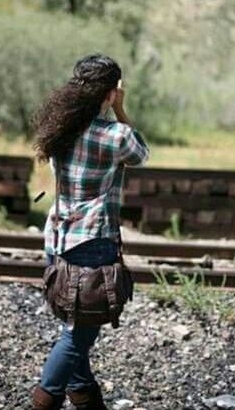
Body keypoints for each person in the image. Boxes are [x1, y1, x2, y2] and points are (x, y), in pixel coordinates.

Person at [31, 54, 150, 410]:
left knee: (72, 325)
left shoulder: (60, 129)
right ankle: (44, 399)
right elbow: (141, 153)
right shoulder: (115, 136)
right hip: (92, 244)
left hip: (56, 240)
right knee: (80, 334)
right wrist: (120, 111)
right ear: (111, 93)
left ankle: (85, 397)